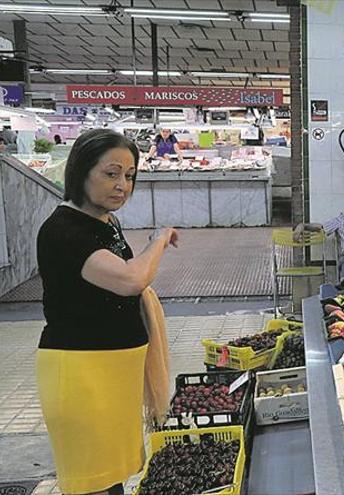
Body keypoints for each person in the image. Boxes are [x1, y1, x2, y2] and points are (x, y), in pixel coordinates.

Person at [36, 129, 178, 495]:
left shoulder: (104, 221)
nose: (122, 186)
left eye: (129, 176)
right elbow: (131, 279)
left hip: (115, 370)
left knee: (112, 479)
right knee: (92, 483)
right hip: (82, 375)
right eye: (111, 173)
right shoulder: (63, 231)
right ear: (81, 171)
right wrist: (158, 240)